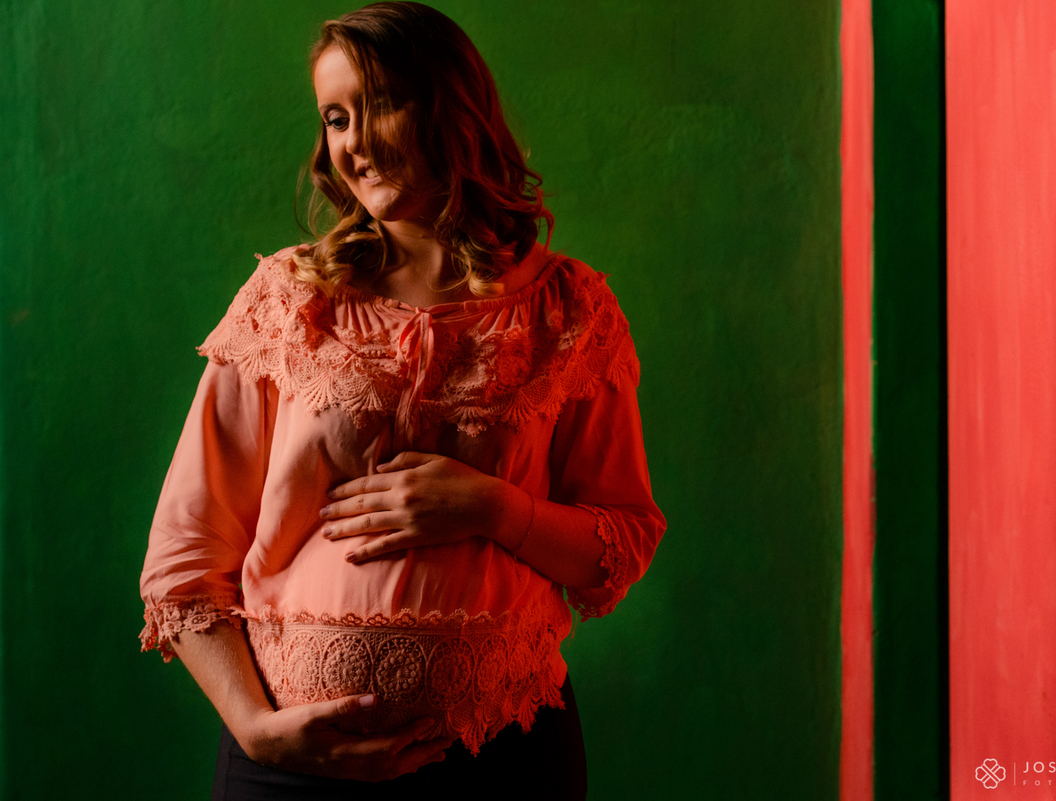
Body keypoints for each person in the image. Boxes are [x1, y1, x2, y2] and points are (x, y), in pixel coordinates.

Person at [137, 3, 666, 798]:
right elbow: (184, 555)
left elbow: (615, 545)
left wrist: (495, 508)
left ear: (453, 107)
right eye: (334, 117)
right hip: (288, 763)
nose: (351, 141)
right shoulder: (291, 299)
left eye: (379, 103)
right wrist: (254, 726)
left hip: (504, 757)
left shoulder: (567, 309)